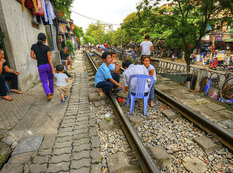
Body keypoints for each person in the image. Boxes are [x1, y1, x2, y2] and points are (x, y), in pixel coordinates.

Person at [31, 33, 55, 101]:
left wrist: (38, 58)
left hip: (41, 66)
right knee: (50, 79)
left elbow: (32, 56)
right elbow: (49, 59)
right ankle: (52, 91)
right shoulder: (47, 48)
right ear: (44, 40)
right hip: (48, 65)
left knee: (44, 81)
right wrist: (52, 68)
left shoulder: (33, 46)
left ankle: (48, 93)